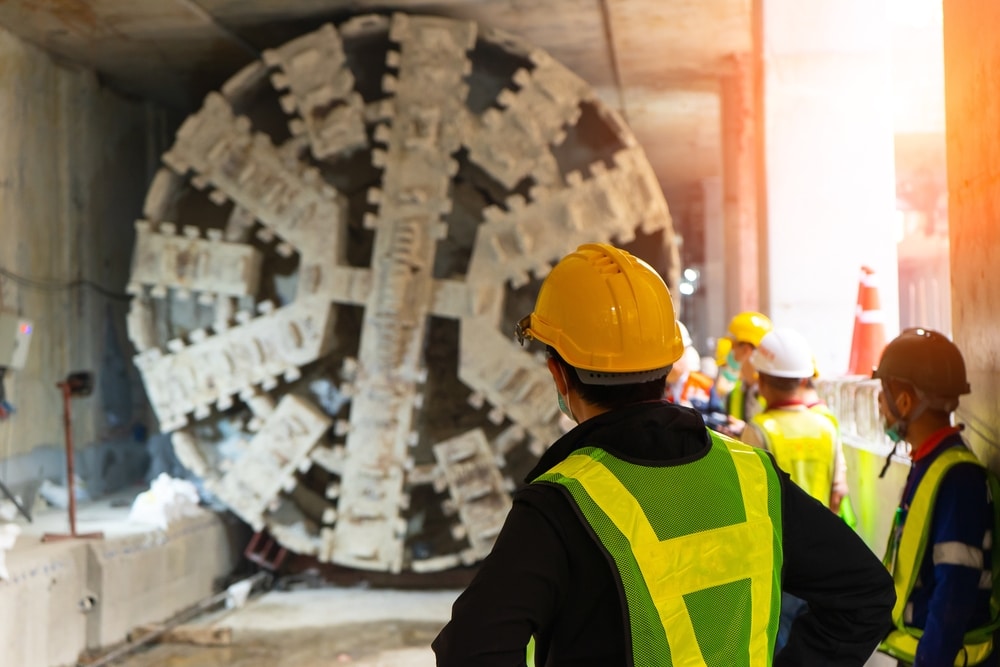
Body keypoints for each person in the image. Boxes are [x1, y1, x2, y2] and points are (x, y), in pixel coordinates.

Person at [432, 242, 894, 666]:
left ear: (559, 374)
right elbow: (865, 594)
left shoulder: (559, 506)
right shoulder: (751, 476)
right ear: (669, 363)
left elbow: (471, 651)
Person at [874, 328, 1000, 667]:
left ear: (904, 402)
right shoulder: (930, 464)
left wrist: (931, 660)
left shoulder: (958, 477)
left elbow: (954, 584)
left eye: (881, 395)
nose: (879, 405)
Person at [741, 327, 851, 653]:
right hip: (819, 553)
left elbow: (750, 499)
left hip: (776, 558)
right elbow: (838, 493)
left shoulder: (758, 430)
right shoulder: (825, 426)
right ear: (804, 381)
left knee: (779, 640)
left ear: (761, 383)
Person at [720, 311, 773, 434]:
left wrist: (747, 432)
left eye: (733, 345)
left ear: (746, 349)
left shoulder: (775, 391)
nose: (731, 350)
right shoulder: (734, 393)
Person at [664, 321, 713, 407]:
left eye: (675, 353)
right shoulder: (654, 388)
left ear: (686, 351)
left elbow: (718, 415)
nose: (671, 361)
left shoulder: (704, 384)